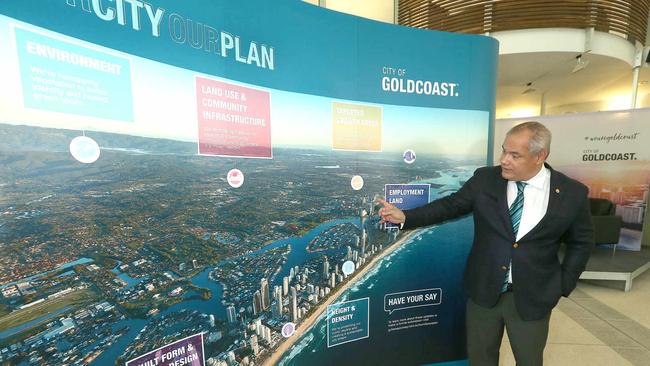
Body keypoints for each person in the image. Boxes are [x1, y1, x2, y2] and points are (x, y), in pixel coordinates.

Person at [378, 121, 594, 366]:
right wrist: (407, 216)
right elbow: (451, 205)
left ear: (540, 156)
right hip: (484, 290)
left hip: (534, 296)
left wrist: (563, 284)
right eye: (504, 151)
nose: (504, 160)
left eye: (515, 155)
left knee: (529, 360)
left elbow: (582, 242)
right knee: (481, 360)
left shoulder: (572, 193)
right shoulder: (486, 179)